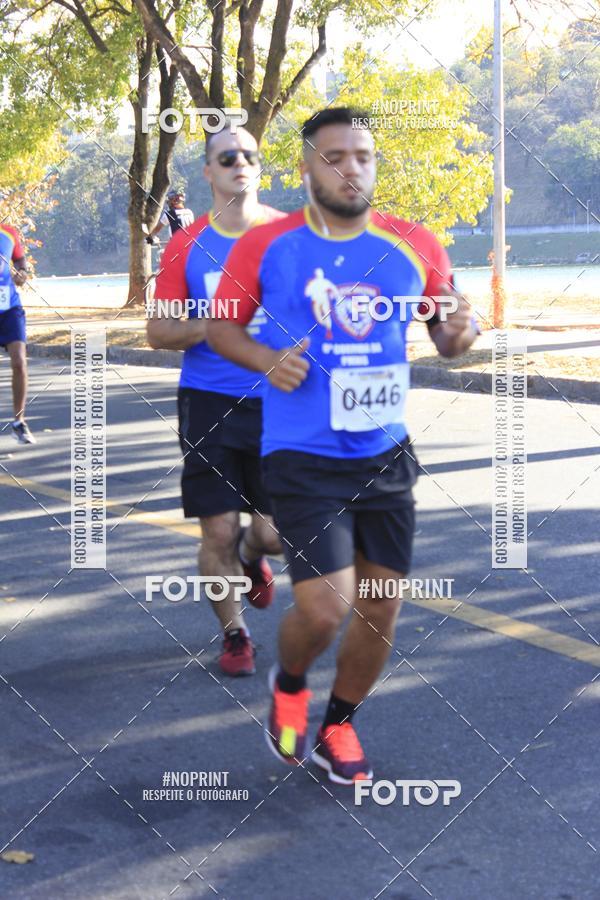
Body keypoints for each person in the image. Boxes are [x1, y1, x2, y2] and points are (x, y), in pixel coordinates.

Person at [207, 107, 478, 783]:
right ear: (307, 168)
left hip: (384, 454)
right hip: (302, 456)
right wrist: (266, 360)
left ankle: (337, 726)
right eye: (334, 157)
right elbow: (221, 328)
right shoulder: (267, 245)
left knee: (380, 606)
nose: (351, 168)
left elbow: (448, 334)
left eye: (363, 156)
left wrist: (461, 330)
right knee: (325, 608)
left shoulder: (414, 243)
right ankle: (290, 682)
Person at [148, 125, 285, 677]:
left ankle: (253, 557)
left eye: (248, 155)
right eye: (226, 157)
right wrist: (215, 323)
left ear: (259, 166)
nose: (239, 163)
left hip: (281, 399)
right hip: (208, 401)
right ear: (208, 171)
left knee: (275, 533)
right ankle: (235, 635)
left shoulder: (292, 235)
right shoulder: (186, 244)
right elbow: (159, 330)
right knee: (218, 530)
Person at [0, 223, 35, 444]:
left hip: (9, 307)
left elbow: (20, 261)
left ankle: (19, 423)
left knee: (20, 362)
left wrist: (22, 273)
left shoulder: (8, 232)